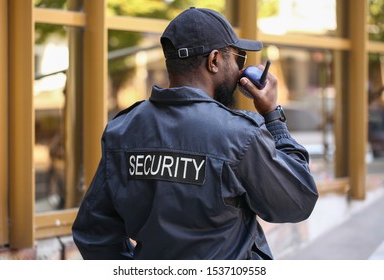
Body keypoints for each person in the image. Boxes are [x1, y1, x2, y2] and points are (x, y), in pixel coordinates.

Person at [72, 7, 318, 260]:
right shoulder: (239, 135)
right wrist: (273, 116)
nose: (239, 71)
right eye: (238, 59)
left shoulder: (122, 130)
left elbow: (94, 233)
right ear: (214, 61)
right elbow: (297, 201)